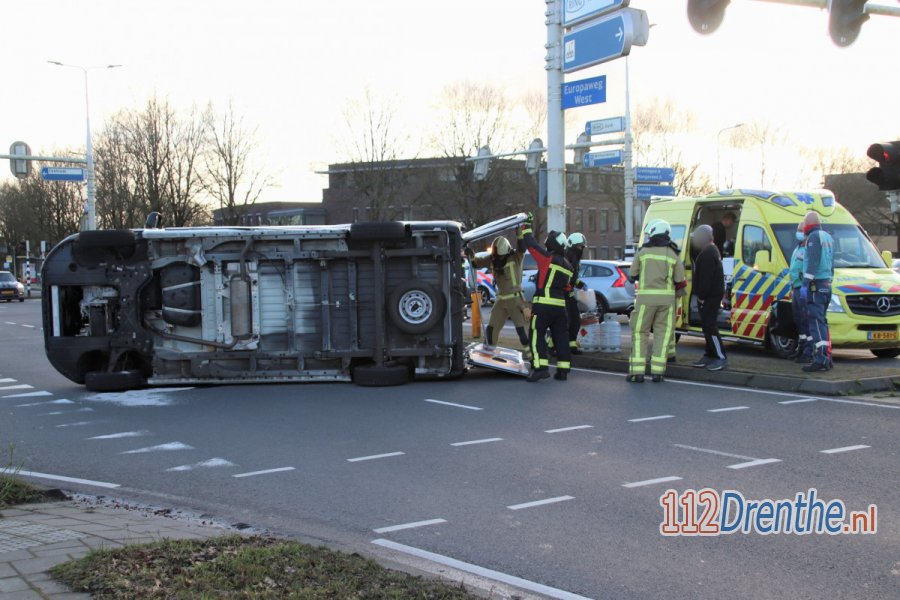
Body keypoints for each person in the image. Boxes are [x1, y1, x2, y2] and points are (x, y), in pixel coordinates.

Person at [629, 220, 687, 383]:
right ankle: (658, 372)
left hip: (645, 300)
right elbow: (680, 280)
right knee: (663, 334)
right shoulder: (673, 253)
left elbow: (632, 275)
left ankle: (637, 372)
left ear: (653, 233)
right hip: (667, 301)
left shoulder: (643, 252)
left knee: (640, 333)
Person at [520, 214, 574, 382]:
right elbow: (567, 287)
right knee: (561, 338)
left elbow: (531, 244)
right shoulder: (569, 266)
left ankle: (540, 368)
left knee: (536, 334)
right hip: (560, 308)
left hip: (542, 306)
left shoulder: (547, 259)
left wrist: (525, 225)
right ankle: (563, 370)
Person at [471, 235, 530, 350]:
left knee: (524, 333)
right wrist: (471, 255)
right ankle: (488, 353)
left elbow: (522, 247)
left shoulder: (516, 257)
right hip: (501, 300)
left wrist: (519, 231)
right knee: (491, 330)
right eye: (497, 257)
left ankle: (533, 357)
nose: (499, 259)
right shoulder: (492, 258)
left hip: (516, 300)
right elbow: (476, 263)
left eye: (501, 257)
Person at [799, 211, 834, 372]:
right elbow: (831, 262)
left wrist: (806, 283)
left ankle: (821, 358)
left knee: (815, 322)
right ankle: (827, 356)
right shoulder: (828, 237)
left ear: (808, 224)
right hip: (826, 284)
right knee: (822, 322)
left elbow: (813, 260)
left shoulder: (814, 237)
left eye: (805, 223)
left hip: (816, 285)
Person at [690, 224, 727, 371]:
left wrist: (701, 296)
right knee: (707, 327)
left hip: (709, 297)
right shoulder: (713, 251)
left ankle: (720, 356)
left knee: (710, 327)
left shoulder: (707, 254)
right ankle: (709, 354)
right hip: (713, 295)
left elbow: (706, 278)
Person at [788, 224, 812, 364]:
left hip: (804, 289)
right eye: (797, 230)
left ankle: (808, 351)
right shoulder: (798, 248)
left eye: (801, 231)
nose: (798, 233)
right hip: (796, 288)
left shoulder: (808, 248)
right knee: (799, 321)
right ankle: (801, 348)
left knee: (805, 321)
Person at [564, 232, 587, 355]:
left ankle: (572, 345)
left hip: (570, 293)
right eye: (580, 246)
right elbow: (563, 277)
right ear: (572, 245)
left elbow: (572, 278)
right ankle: (552, 345)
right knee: (564, 321)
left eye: (582, 247)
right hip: (562, 294)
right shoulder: (566, 258)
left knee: (576, 321)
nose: (581, 249)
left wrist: (580, 284)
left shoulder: (575, 260)